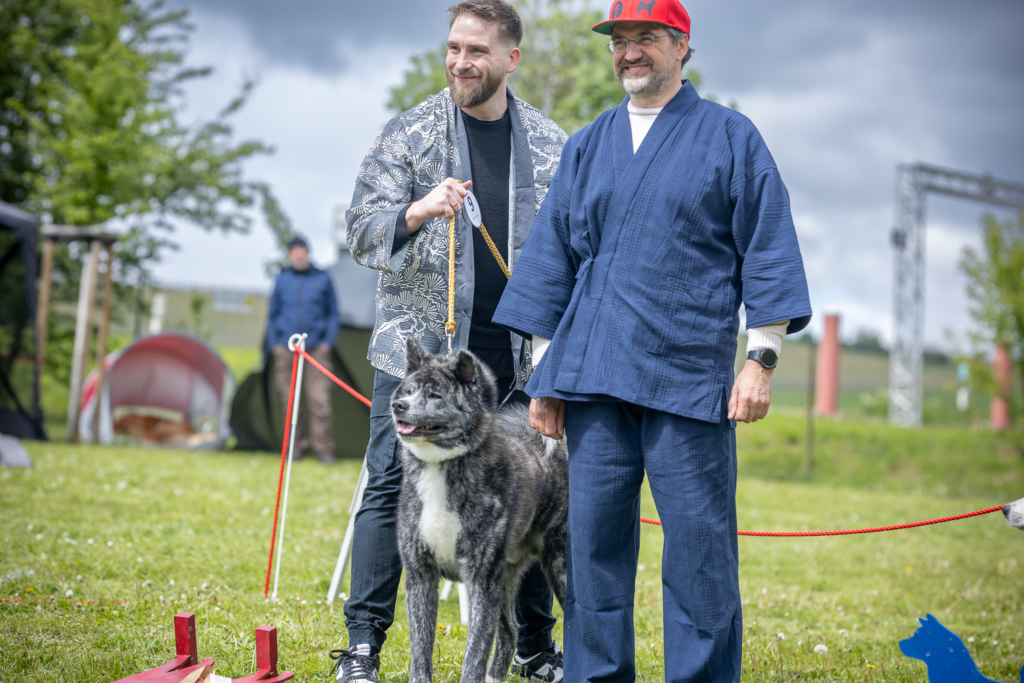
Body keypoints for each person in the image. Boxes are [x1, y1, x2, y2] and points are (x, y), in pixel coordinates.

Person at [492, 1, 813, 681]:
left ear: (681, 46)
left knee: (700, 554)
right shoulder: (589, 143)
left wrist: (760, 359)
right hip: (595, 381)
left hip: (686, 379)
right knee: (592, 552)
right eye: (620, 39)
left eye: (646, 38)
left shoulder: (731, 137)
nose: (630, 51)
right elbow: (552, 263)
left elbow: (769, 248)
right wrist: (546, 380)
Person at [337, 1, 569, 682]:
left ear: (510, 59)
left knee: (526, 493)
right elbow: (360, 232)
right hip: (419, 361)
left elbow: (574, 252)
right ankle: (363, 646)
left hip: (517, 357)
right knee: (388, 489)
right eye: (454, 48)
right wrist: (416, 210)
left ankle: (532, 646)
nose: (462, 62)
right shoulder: (409, 133)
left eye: (477, 51)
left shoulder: (553, 145)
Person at [266, 235, 340, 465]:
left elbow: (333, 312)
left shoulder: (322, 278)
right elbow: (273, 315)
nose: (298, 254)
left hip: (317, 348)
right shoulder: (282, 280)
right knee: (289, 401)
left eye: (301, 250)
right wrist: (275, 345)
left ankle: (324, 451)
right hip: (287, 348)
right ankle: (294, 451)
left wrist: (328, 343)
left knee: (320, 400)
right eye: (293, 251)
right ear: (289, 255)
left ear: (307, 252)